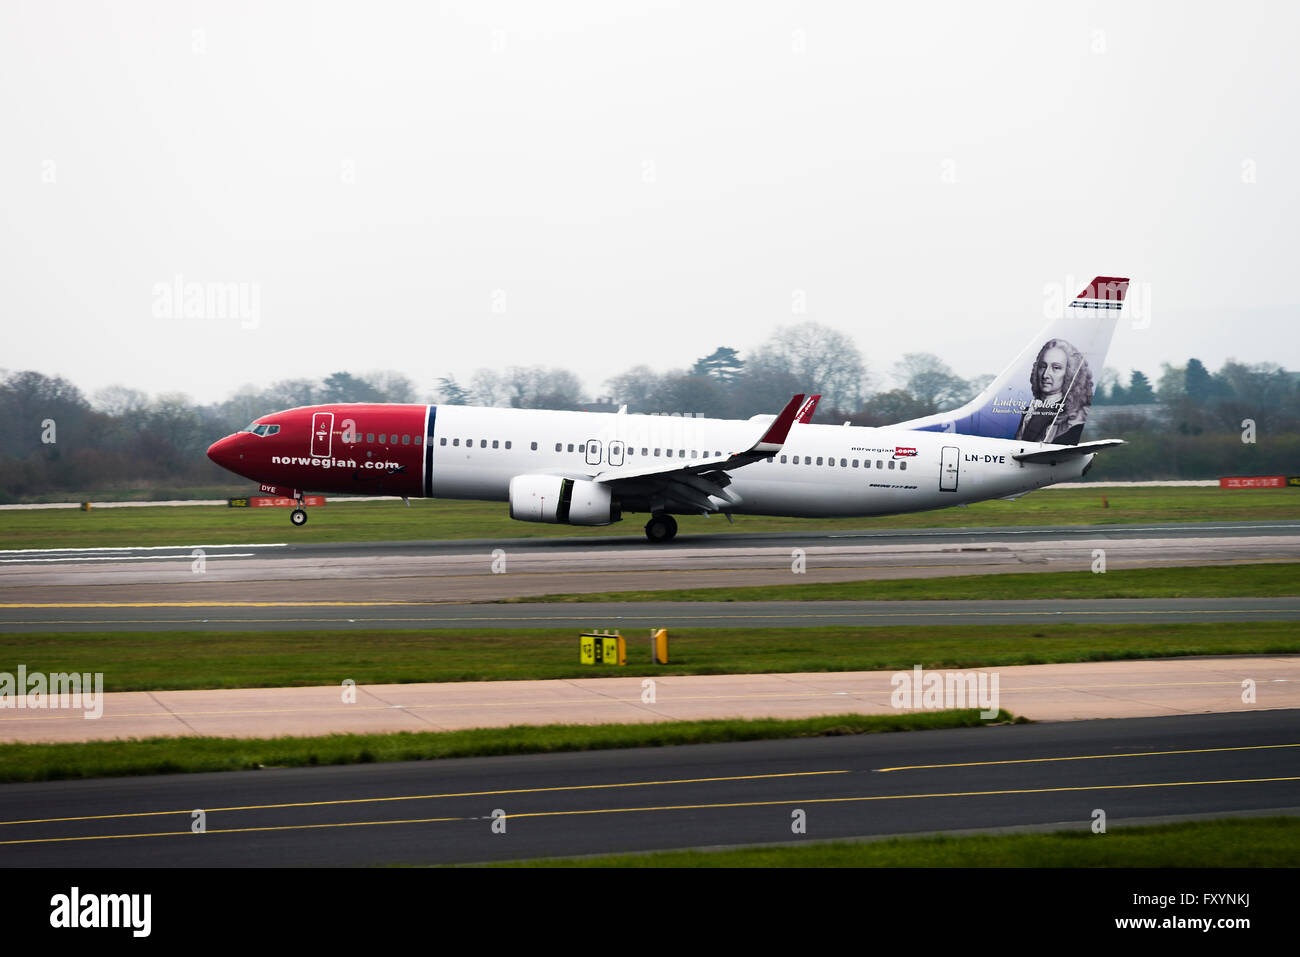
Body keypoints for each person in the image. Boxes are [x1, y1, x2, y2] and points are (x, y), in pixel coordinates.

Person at [1014, 338, 1093, 444]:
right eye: (1042, 366)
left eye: (1056, 367)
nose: (1045, 375)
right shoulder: (1030, 411)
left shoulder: (1073, 416)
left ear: (1070, 373)